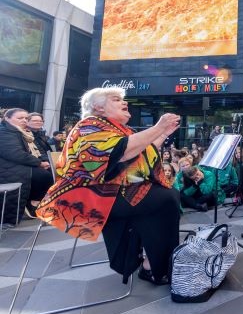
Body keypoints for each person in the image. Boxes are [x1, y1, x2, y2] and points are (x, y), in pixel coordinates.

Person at [36, 88, 181, 285]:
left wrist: (163, 132)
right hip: (87, 198)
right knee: (165, 199)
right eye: (116, 99)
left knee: (163, 196)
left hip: (109, 191)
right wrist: (158, 127)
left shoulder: (116, 129)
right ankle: (156, 267)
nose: (125, 102)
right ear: (98, 107)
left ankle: (151, 263)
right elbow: (119, 154)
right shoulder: (89, 126)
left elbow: (144, 152)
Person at [0, 108, 54, 222]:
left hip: (15, 165)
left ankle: (38, 202)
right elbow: (15, 154)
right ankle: (33, 202)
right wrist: (39, 163)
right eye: (20, 118)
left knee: (48, 173)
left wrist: (43, 162)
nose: (24, 120)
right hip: (7, 168)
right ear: (7, 118)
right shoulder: (4, 132)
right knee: (44, 176)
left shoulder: (19, 132)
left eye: (26, 118)